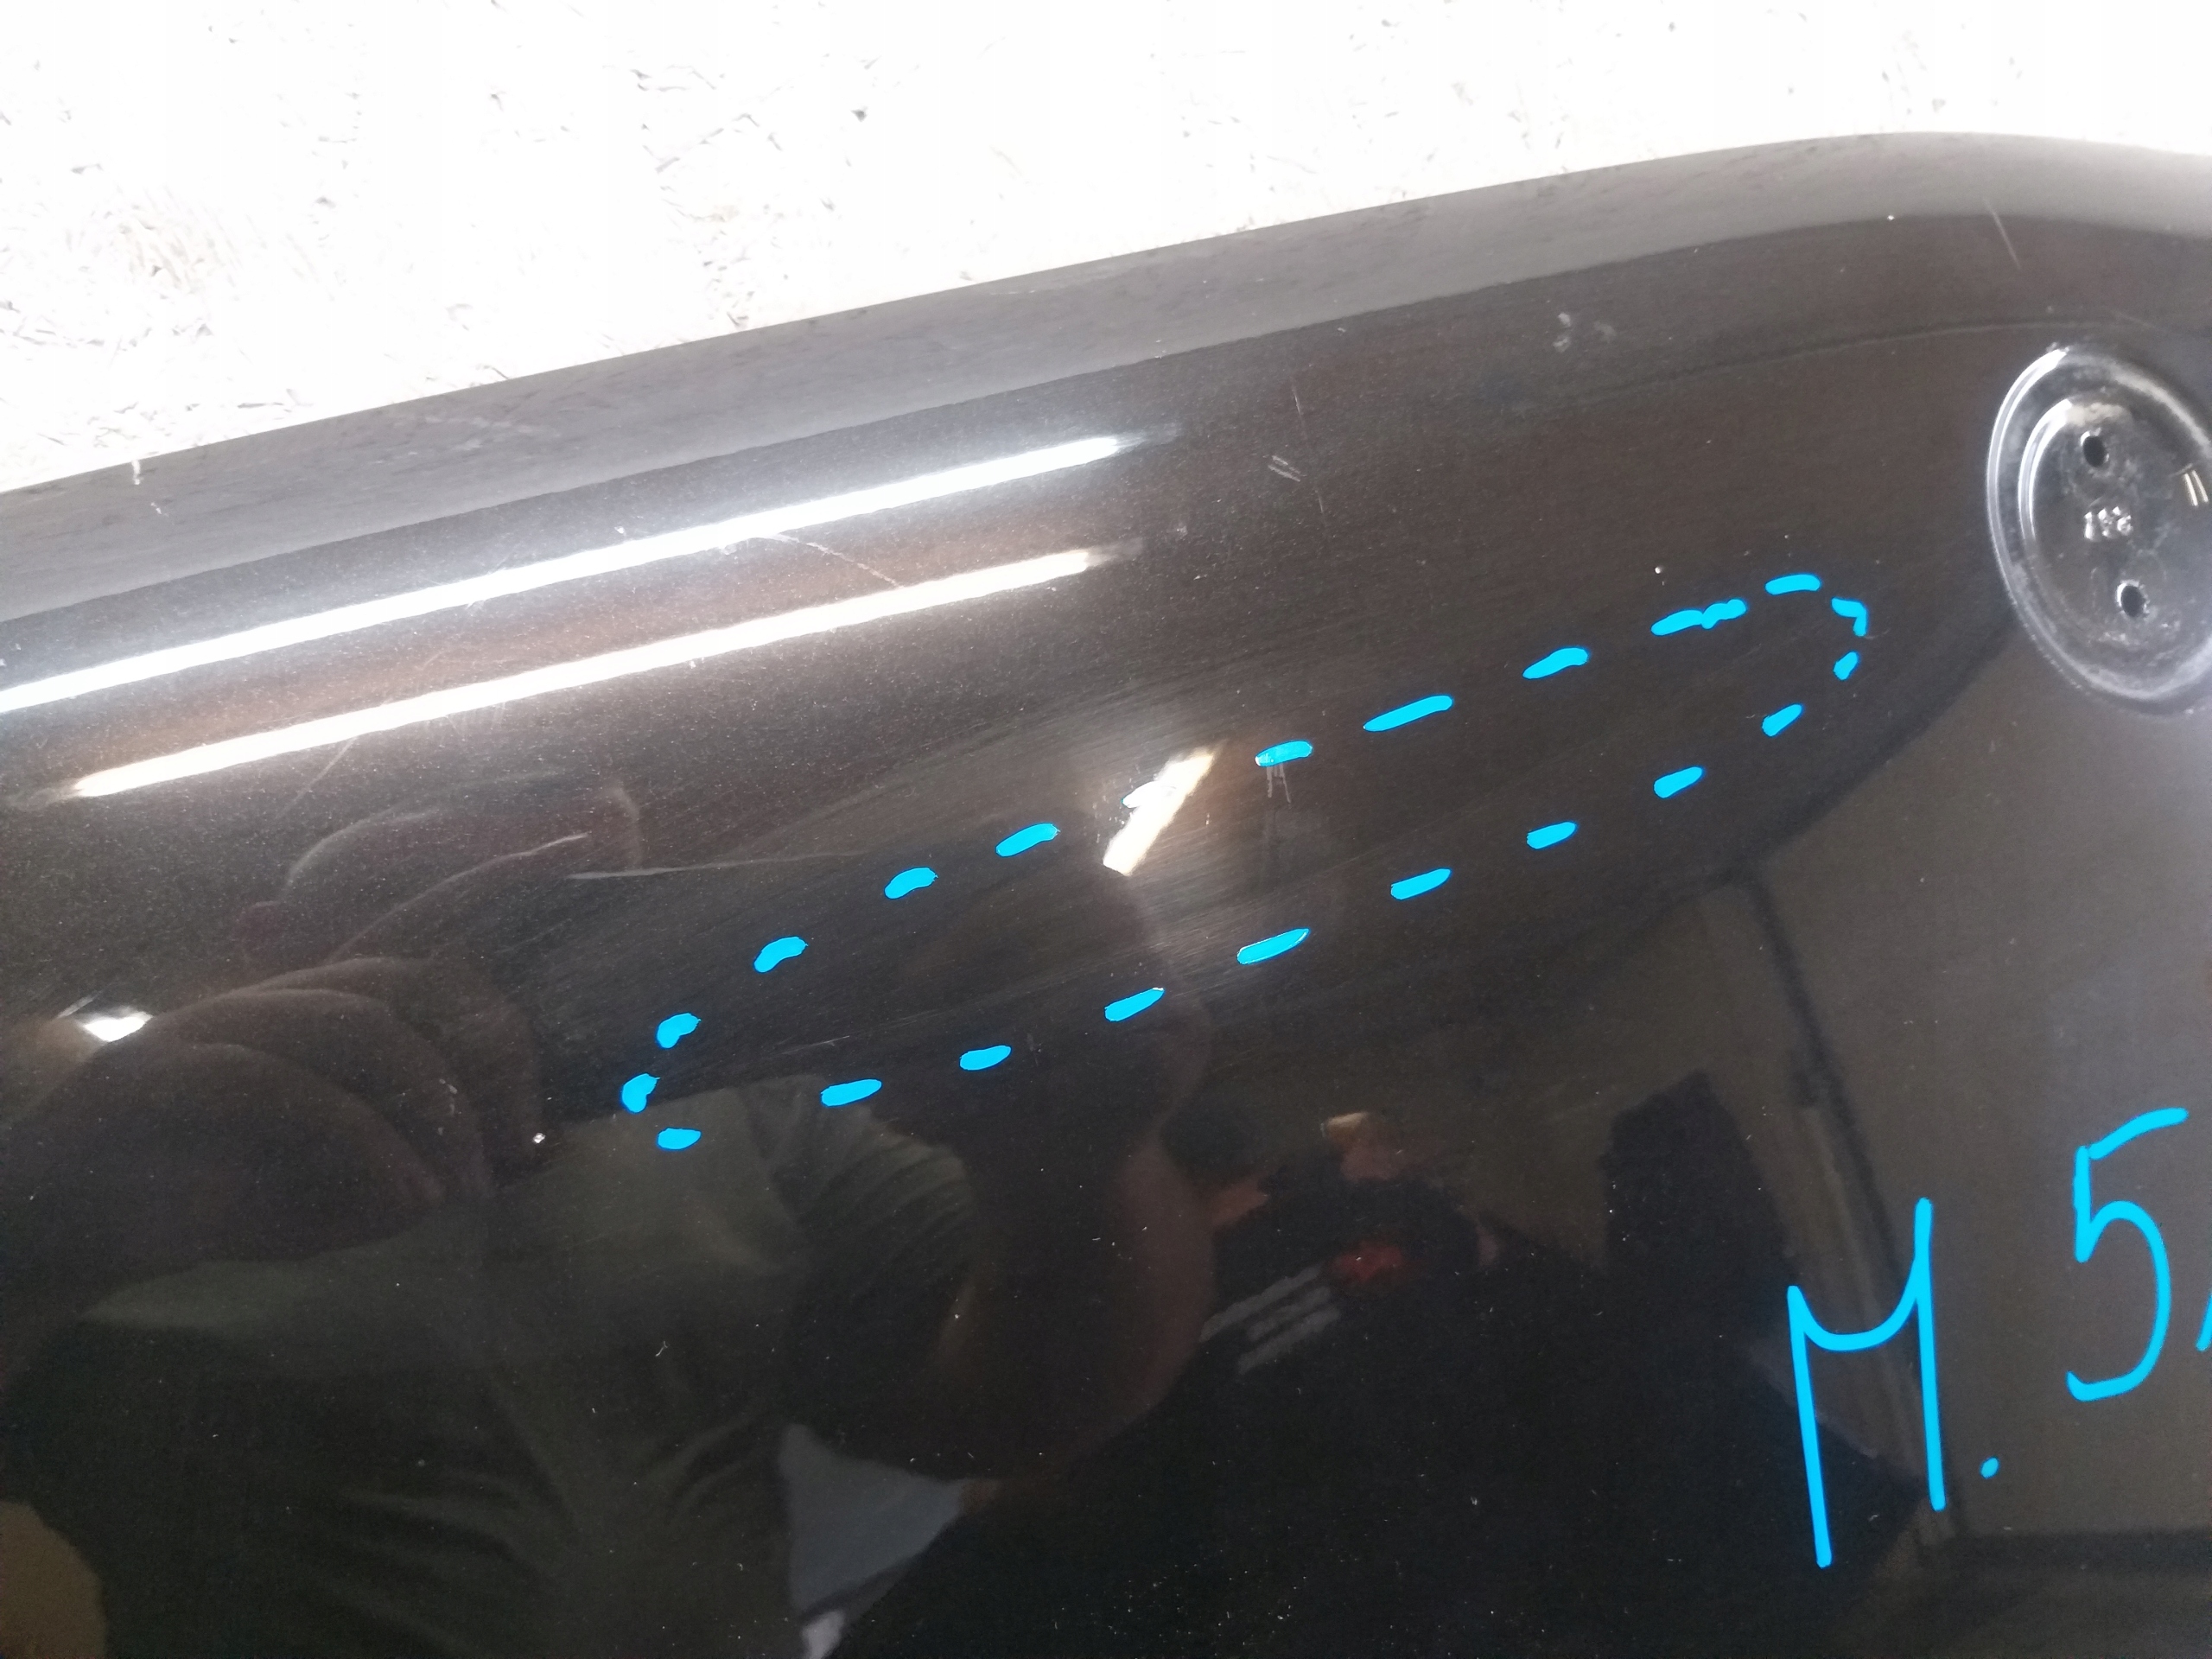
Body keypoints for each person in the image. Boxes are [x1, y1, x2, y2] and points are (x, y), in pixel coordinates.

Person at [0, 816, 1216, 1657]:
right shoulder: (127, 1142)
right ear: (268, 945)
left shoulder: (752, 1115)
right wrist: (49, 1224)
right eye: (494, 905)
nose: (558, 883)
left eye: (591, 902)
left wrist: (1075, 1170)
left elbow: (1012, 1411)